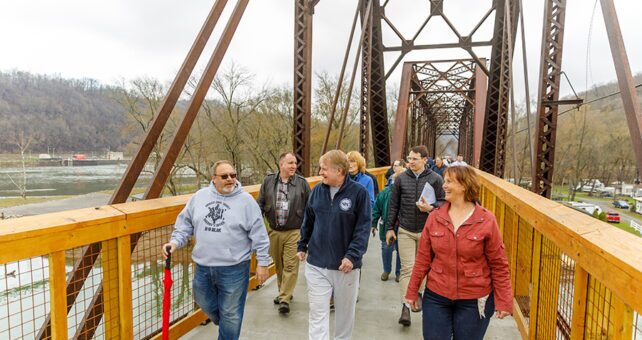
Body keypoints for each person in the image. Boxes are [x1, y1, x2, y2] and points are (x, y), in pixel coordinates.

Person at [162, 160, 270, 340]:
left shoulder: (246, 201)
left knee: (231, 314)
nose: (230, 179)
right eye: (225, 176)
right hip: (203, 266)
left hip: (234, 268)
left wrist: (263, 262)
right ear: (213, 178)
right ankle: (228, 322)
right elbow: (185, 224)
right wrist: (174, 243)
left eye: (233, 176)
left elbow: (259, 234)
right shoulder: (200, 197)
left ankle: (229, 325)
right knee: (206, 303)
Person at [405, 165, 512, 339]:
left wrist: (504, 300)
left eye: (449, 182)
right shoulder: (435, 217)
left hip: (474, 298)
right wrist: (412, 291)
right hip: (437, 295)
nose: (443, 186)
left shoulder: (486, 220)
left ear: (464, 185)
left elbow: (499, 264)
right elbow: (423, 259)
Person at [297, 150, 371, 340]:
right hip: (317, 265)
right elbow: (309, 220)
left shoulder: (359, 193)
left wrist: (352, 256)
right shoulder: (316, 191)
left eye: (324, 169)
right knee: (317, 315)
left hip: (345, 267)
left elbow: (363, 229)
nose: (320, 172)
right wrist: (302, 245)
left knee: (344, 317)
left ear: (339, 171)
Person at [386, 145, 446, 327]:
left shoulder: (436, 179)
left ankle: (417, 292)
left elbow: (444, 203)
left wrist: (431, 208)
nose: (410, 162)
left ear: (425, 160)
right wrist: (389, 228)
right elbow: (393, 204)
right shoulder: (401, 179)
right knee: (407, 268)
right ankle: (405, 305)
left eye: (414, 159)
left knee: (424, 268)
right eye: (409, 158)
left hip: (428, 231)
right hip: (405, 229)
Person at [257, 152, 311, 314]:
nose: (294, 166)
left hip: (294, 231)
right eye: (290, 163)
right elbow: (260, 203)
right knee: (279, 265)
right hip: (274, 230)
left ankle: (285, 298)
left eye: (295, 163)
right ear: (281, 165)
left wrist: (308, 232)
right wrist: (256, 226)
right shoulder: (268, 181)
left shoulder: (302, 183)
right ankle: (284, 292)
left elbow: (310, 207)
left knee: (290, 264)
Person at [372, 168, 404, 282]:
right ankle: (386, 270)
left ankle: (399, 273)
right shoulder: (385, 193)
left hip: (403, 226)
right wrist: (373, 223)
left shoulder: (407, 193)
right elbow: (377, 209)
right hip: (387, 225)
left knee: (402, 249)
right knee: (386, 248)